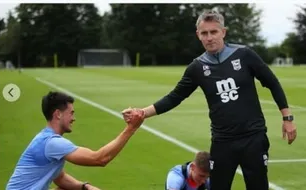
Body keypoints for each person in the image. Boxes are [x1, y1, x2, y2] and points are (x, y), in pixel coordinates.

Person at [122, 9, 297, 190]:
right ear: (198, 35)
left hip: (253, 138)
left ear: (223, 32)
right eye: (204, 33)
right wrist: (142, 112)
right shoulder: (197, 67)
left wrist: (287, 118)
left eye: (214, 32)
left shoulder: (244, 55)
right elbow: (174, 97)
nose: (209, 37)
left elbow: (272, 83)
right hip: (222, 142)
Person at [6, 91, 145, 190]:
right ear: (58, 114)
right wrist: (131, 128)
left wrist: (85, 187)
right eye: (71, 113)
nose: (74, 118)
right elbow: (99, 159)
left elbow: (59, 178)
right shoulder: (52, 143)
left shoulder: (44, 139)